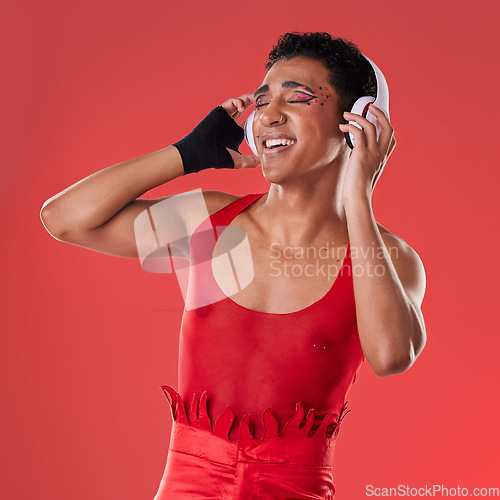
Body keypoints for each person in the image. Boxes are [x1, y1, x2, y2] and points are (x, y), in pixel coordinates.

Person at [40, 32, 426, 499]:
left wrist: (359, 195)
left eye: (298, 97)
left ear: (357, 122)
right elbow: (63, 220)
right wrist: (185, 154)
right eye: (263, 101)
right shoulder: (209, 223)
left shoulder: (388, 258)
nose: (269, 115)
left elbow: (391, 356)